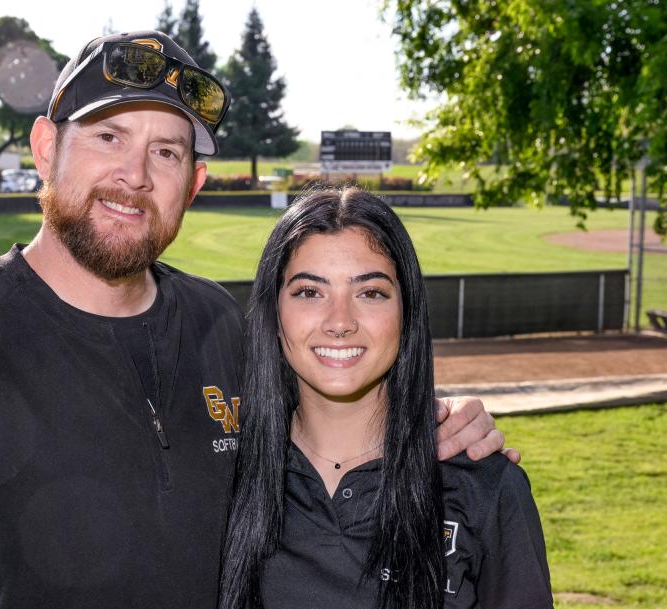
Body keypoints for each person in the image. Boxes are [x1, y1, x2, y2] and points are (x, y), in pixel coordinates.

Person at [0, 32, 509, 608]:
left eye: (165, 151)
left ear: (191, 184)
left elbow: (338, 417)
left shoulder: (224, 330)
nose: (135, 175)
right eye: (108, 137)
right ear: (46, 147)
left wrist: (442, 424)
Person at [219, 188, 552, 609]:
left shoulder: (483, 487)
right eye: (309, 292)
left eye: (370, 293)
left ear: (407, 311)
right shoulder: (224, 475)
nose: (339, 322)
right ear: (273, 309)